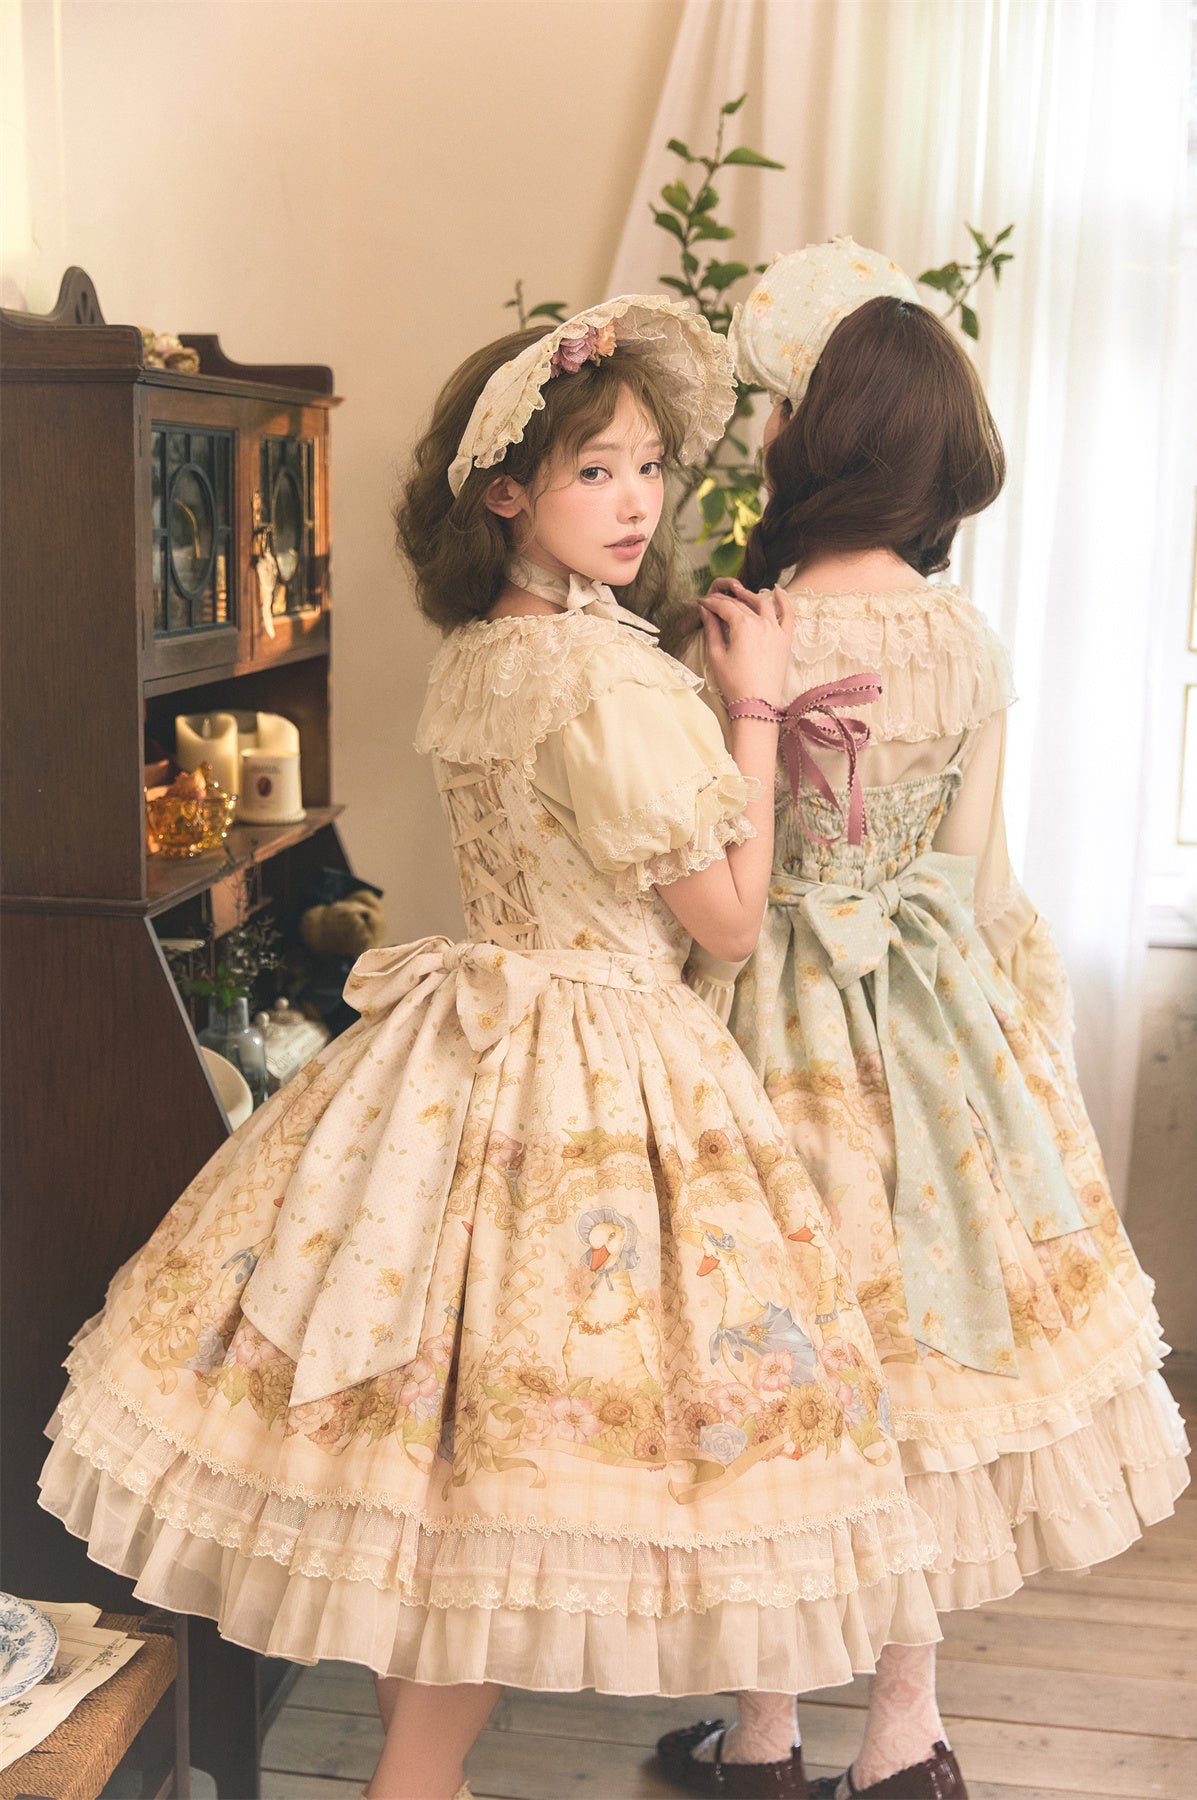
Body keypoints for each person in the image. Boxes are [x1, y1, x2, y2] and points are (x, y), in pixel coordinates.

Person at [40, 295, 941, 1800]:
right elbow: (726, 924)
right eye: (595, 470)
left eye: (648, 466)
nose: (637, 501)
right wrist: (757, 714)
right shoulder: (607, 676)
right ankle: (413, 1785)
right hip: (598, 1067)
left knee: (431, 1485)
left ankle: (419, 1779)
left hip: (464, 1055)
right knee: (500, 1496)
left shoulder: (486, 650)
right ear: (508, 490)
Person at [657, 240, 1190, 1800]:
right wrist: (1017, 1051)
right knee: (917, 1386)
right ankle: (906, 1739)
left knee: (772, 1377)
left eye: (775, 408)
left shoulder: (741, 629)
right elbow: (977, 881)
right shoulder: (965, 643)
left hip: (758, 1019)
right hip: (931, 1029)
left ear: (815, 435)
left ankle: (764, 1738)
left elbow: (708, 870)